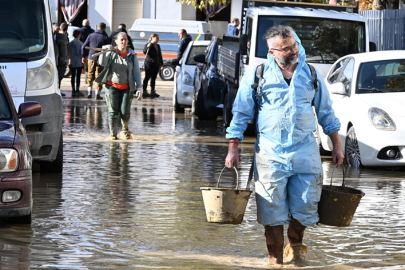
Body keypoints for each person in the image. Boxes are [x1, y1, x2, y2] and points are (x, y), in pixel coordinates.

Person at [224, 25, 344, 266]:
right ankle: (275, 260)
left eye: (294, 45)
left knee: (308, 206)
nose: (293, 51)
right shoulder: (257, 75)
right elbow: (240, 114)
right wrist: (233, 147)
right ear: (272, 52)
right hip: (270, 154)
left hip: (305, 152)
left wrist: (337, 145)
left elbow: (326, 113)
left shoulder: (310, 74)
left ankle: (294, 242)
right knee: (271, 211)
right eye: (286, 48)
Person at [95, 32, 142, 140]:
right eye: (121, 40)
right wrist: (104, 51)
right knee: (112, 112)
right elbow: (102, 63)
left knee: (125, 112)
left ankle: (125, 129)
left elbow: (136, 73)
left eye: (125, 40)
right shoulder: (111, 53)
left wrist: (139, 87)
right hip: (111, 86)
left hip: (127, 88)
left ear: (128, 42)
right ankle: (113, 135)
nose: (123, 42)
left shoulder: (132, 56)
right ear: (116, 41)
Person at [81, 22, 111, 100]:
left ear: (97, 27)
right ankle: (97, 95)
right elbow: (108, 49)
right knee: (99, 76)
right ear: (104, 28)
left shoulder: (91, 35)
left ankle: (89, 92)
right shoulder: (105, 37)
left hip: (91, 58)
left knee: (90, 74)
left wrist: (83, 56)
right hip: (101, 59)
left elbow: (83, 46)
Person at [142, 34, 163, 98]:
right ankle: (144, 90)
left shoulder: (158, 46)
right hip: (149, 63)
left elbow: (159, 55)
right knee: (147, 77)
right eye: (157, 38)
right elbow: (144, 52)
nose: (158, 40)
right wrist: (148, 46)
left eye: (158, 38)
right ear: (152, 38)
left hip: (156, 64)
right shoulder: (148, 44)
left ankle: (152, 90)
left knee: (153, 78)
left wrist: (162, 64)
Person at [54, 22, 70, 97]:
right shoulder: (66, 37)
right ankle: (58, 91)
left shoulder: (55, 36)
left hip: (56, 59)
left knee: (57, 78)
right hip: (63, 60)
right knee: (59, 77)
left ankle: (57, 91)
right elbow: (68, 49)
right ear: (67, 29)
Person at [69, 29, 84, 97]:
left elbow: (68, 53)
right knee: (78, 77)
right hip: (78, 62)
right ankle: (77, 90)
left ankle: (73, 90)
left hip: (72, 61)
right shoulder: (81, 43)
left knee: (72, 77)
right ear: (78, 35)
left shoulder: (70, 43)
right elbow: (81, 53)